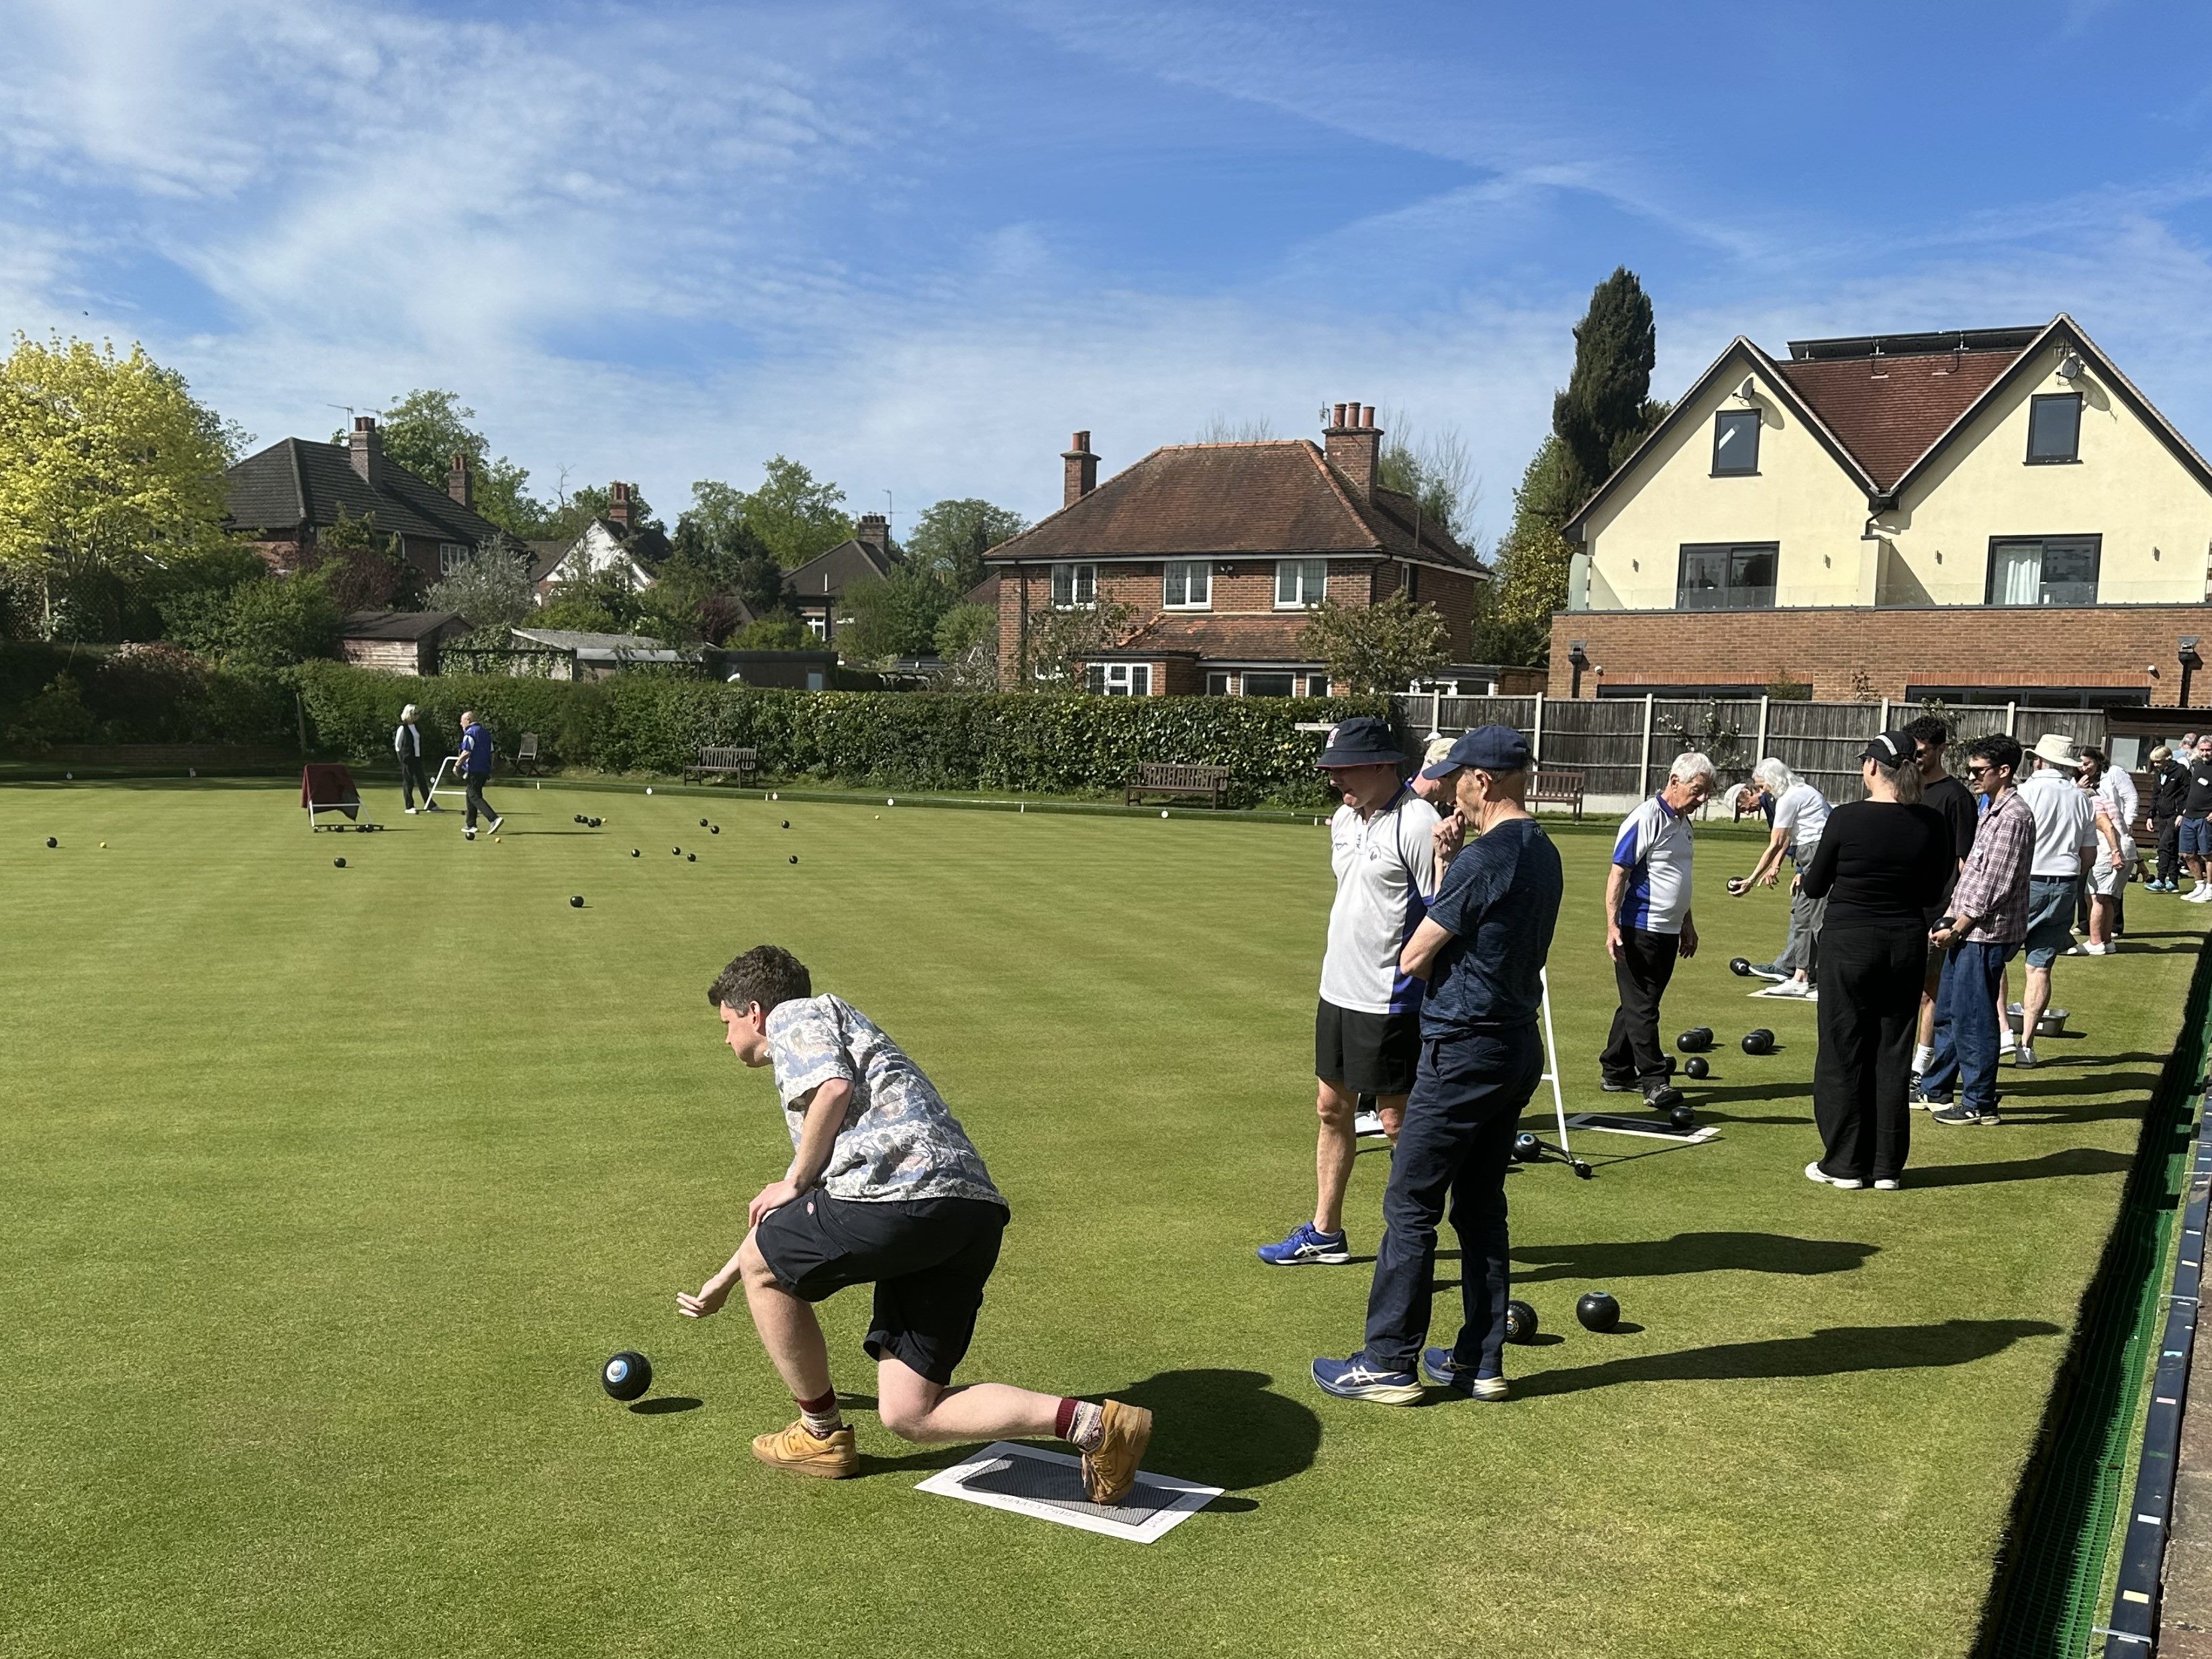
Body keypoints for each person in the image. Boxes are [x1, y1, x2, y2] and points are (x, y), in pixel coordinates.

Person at [678, 945, 1153, 1499]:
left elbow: (831, 1090)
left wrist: (793, 1184)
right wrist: (724, 1278)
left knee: (768, 1263)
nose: (727, 1037)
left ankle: (820, 1433)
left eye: (727, 1023)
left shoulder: (795, 1015)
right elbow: (782, 1216)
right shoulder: (846, 1045)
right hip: (966, 1213)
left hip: (896, 1199)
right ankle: (1098, 1426)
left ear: (755, 1011)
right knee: (911, 1413)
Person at [1310, 726, 1563, 1404]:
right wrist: (1448, 865)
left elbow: (1417, 954)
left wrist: (1452, 873)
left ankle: (1388, 1361)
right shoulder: (1543, 849)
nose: (1449, 787)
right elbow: (1477, 927)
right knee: (1480, 1204)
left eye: (1456, 777)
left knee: (1410, 1201)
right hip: (1513, 1045)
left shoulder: (1490, 857)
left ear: (1482, 780)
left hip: (1462, 1048)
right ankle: (1481, 1361)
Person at [1259, 716, 1458, 1266]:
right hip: (1337, 987)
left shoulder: (1418, 822)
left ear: (1380, 764)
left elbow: (1441, 910)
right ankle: (1326, 1232)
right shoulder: (1344, 819)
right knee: (1330, 1107)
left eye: (1343, 769)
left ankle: (1415, 1238)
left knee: (1397, 1122)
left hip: (1390, 998)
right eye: (1329, 769)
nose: (1333, 780)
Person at [1800, 732, 1953, 1190]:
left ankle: (1844, 1163)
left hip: (1849, 941)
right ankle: (1886, 1165)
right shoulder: (1931, 823)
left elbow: (1814, 885)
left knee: (1842, 1047)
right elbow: (1934, 891)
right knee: (1892, 1051)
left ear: (1871, 768)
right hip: (1904, 941)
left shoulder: (1846, 818)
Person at [1918, 735, 2034, 1127]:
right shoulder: (1991, 808)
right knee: (1949, 1011)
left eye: (1977, 771)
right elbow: (1971, 876)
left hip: (1988, 933)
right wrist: (1950, 919)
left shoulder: (2014, 815)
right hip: (1966, 927)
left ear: (2004, 771)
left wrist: (1961, 924)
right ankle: (1935, 1088)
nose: (1970, 777)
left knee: (1974, 1017)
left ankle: (1980, 1103)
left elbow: (1996, 884)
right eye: (1969, 770)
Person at [1600, 753, 1716, 1108]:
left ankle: (1616, 1069)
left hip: (1667, 931)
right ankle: (1653, 1081)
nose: (1702, 799)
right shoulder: (1646, 817)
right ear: (1675, 781)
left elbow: (1678, 879)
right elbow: (1619, 872)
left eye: (1707, 793)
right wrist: (1612, 926)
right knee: (1643, 1006)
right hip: (1639, 927)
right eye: (1697, 791)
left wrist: (1687, 923)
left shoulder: (1683, 823)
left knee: (1640, 1003)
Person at [2013, 734, 2097, 1063]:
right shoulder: (2081, 798)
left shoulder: (2024, 792)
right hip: (2064, 882)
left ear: (2038, 760)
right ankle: (2027, 1046)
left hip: (2025, 882)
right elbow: (2088, 854)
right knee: (2040, 968)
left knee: (1993, 959)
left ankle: (2005, 1032)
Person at [1907, 716, 1977, 1080]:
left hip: (1939, 908)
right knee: (1902, 991)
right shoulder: (1906, 790)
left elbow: (1967, 861)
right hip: (1903, 906)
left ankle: (1922, 1063)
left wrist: (1958, 913)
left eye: (1922, 752)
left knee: (1929, 993)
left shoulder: (1957, 797)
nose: (1916, 758)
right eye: (1912, 752)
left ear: (1940, 750)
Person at [1729, 759, 1831, 999]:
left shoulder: (1789, 797)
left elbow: (1775, 843)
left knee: (1819, 920)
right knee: (1803, 917)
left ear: (1774, 780)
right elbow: (1787, 839)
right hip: (1808, 856)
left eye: (1763, 786)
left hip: (1819, 853)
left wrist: (1751, 879)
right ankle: (1800, 977)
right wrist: (1786, 869)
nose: (1762, 792)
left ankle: (1827, 981)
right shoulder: (1791, 794)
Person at [2078, 749, 2135, 953]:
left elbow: (2108, 827)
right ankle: (2107, 941)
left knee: (2097, 898)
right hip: (2125, 850)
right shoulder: (2103, 800)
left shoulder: (2092, 804)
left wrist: (2115, 853)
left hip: (2109, 853)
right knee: (2105, 898)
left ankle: (2095, 943)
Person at [456, 709, 503, 841]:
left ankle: (493, 818)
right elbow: (492, 753)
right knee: (470, 793)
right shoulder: (485, 733)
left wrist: (457, 765)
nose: (461, 723)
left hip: (474, 769)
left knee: (474, 795)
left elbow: (466, 752)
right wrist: (490, 767)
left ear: (468, 721)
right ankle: (471, 824)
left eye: (462, 721)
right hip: (484, 769)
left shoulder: (470, 733)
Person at [2148, 744, 2189, 892]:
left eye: (2159, 761)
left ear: (2168, 758)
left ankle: (2161, 879)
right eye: (2154, 762)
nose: (2156, 764)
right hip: (2162, 815)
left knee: (2164, 846)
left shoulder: (2181, 772)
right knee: (2170, 848)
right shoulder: (2159, 773)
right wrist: (2150, 815)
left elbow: (2186, 794)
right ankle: (2173, 881)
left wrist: (2181, 814)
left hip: (2175, 815)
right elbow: (2156, 795)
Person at [2182, 734, 2212, 902]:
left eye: (2209, 750)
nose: (2206, 753)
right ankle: (2199, 885)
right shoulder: (2197, 764)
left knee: (2208, 854)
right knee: (2187, 854)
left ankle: (2210, 888)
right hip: (2190, 816)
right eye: (2203, 750)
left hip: (2206, 817)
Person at [393, 703, 437, 814]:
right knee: (409, 782)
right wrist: (402, 759)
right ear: (409, 714)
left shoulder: (416, 727)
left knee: (422, 781)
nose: (417, 716)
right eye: (415, 713)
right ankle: (409, 806)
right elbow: (398, 746)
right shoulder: (402, 728)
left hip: (417, 758)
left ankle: (429, 804)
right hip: (407, 759)